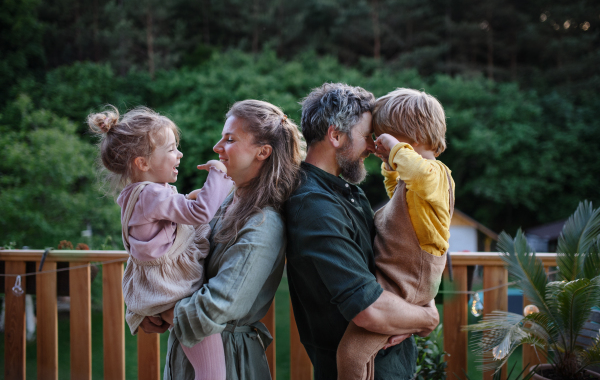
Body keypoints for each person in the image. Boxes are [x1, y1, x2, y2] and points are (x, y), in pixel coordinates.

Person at [139, 100, 304, 380]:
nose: (217, 147)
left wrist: (165, 310)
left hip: (229, 362)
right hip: (193, 348)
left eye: (229, 139)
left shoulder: (263, 223)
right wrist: (153, 304)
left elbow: (220, 304)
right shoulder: (229, 201)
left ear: (262, 152)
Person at [285, 83, 440, 380]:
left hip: (388, 363)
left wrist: (422, 295)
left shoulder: (347, 193)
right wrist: (426, 317)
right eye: (367, 137)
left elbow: (393, 261)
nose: (372, 147)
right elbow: (367, 308)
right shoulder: (315, 207)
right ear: (336, 135)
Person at [88, 106, 233, 380]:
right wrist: (220, 173)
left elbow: (169, 226)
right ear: (143, 163)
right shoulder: (151, 194)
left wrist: (190, 199)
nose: (179, 154)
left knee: (205, 368)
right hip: (172, 290)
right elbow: (201, 213)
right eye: (170, 149)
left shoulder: (142, 194)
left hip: (163, 290)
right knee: (212, 372)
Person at [336, 88, 455, 380]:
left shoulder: (437, 175)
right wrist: (390, 166)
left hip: (407, 281)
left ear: (410, 138)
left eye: (383, 137)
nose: (376, 143)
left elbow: (420, 176)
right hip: (396, 279)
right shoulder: (414, 184)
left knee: (350, 354)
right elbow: (399, 197)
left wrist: (396, 151)